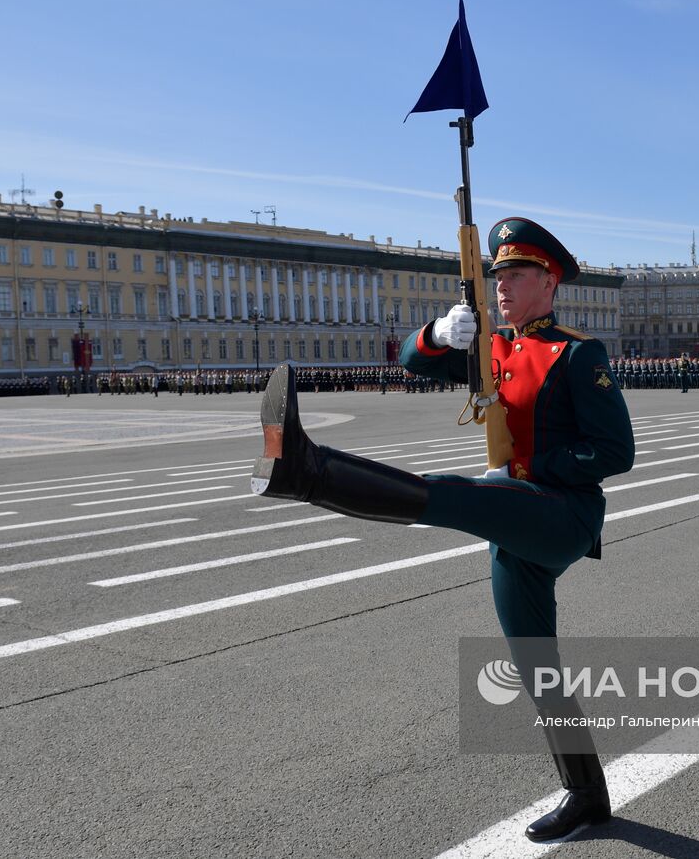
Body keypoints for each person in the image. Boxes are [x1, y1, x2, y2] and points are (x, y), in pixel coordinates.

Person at [251, 217, 635, 842]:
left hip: (559, 513)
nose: (502, 285)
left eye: (515, 274)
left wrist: (528, 466)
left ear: (550, 281)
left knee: (459, 494)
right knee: (534, 662)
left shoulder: (576, 353)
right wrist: (435, 333)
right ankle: (587, 795)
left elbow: (615, 451)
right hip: (515, 516)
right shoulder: (492, 347)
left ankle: (307, 472)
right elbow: (411, 363)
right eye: (498, 275)